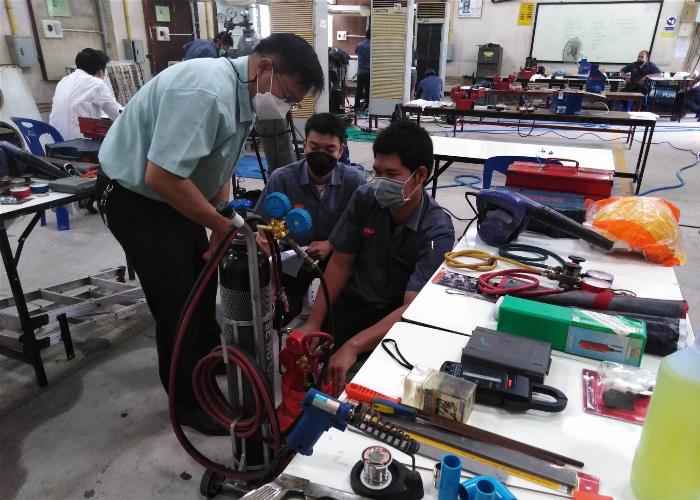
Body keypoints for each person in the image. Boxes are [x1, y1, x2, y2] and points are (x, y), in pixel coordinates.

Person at [95, 34, 324, 435]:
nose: (286, 106)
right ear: (265, 68)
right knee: (177, 299)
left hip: (174, 193)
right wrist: (226, 227)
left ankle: (206, 358)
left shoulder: (243, 95)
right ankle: (188, 402)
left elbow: (218, 166)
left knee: (200, 282)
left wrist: (222, 219)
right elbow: (161, 176)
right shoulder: (206, 91)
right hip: (137, 197)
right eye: (288, 96)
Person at [298, 121, 455, 393]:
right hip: (353, 304)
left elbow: (412, 308)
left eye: (391, 174)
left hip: (394, 319)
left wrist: (354, 346)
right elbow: (339, 264)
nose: (380, 182)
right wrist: (313, 321)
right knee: (313, 374)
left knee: (372, 389)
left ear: (420, 175)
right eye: (377, 171)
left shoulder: (436, 231)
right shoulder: (365, 198)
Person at [255, 113, 366, 323]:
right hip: (291, 263)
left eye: (330, 149)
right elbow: (263, 228)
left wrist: (331, 244)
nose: (321, 155)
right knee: (278, 316)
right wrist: (272, 274)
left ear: (341, 150)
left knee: (339, 318)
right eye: (314, 147)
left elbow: (362, 228)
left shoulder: (355, 182)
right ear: (304, 145)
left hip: (336, 262)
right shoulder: (282, 179)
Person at [49, 48, 122, 140]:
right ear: (100, 71)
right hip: (80, 143)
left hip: (55, 140)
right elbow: (116, 115)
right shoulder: (96, 83)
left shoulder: (63, 81)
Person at [355, 29, 371, 110]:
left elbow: (356, 52)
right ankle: (366, 106)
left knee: (359, 90)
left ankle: (356, 106)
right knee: (368, 90)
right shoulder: (373, 46)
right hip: (369, 72)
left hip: (360, 72)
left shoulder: (359, 45)